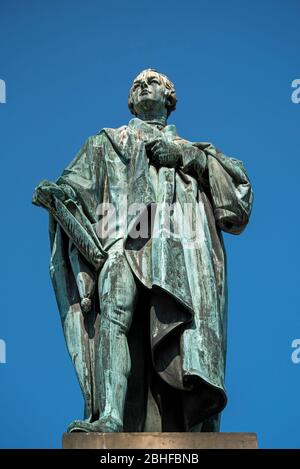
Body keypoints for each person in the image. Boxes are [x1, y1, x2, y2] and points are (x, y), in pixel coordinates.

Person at [33, 69, 253, 433]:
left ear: (170, 98)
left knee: (184, 336)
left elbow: (238, 202)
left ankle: (187, 418)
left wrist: (187, 157)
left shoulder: (198, 151)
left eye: (152, 81)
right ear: (131, 101)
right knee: (114, 313)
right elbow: (75, 188)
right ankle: (111, 418)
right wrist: (60, 198)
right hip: (123, 237)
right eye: (136, 84)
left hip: (182, 248)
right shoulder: (105, 143)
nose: (141, 86)